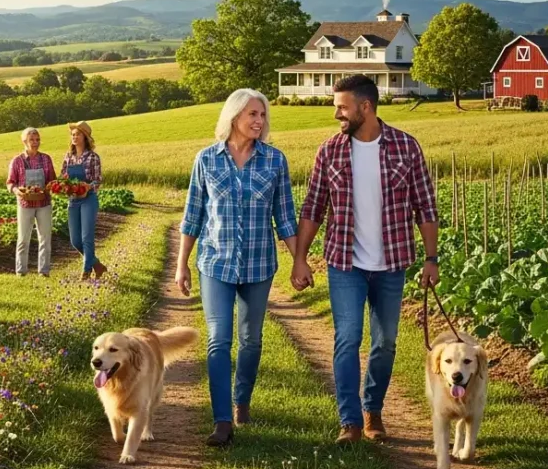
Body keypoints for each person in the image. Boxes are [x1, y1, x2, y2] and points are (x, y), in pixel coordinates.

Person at [292, 74, 439, 445]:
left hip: (391, 263)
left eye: (341, 107)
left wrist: (431, 259)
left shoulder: (406, 147)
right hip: (345, 263)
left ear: (365, 107)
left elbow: (425, 207)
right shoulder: (330, 151)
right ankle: (350, 421)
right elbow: (313, 207)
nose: (336, 114)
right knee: (347, 339)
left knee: (386, 341)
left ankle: (373, 409)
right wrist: (300, 258)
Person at [176, 89, 300, 447]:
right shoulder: (207, 160)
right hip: (215, 262)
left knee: (251, 340)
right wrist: (182, 264)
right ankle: (222, 420)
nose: (259, 121)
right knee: (219, 340)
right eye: (252, 114)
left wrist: (299, 260)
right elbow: (193, 216)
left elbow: (286, 218)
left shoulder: (275, 161)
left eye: (262, 115)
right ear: (233, 117)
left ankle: (241, 400)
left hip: (260, 264)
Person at [6, 127, 56, 277]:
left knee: (45, 238)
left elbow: (52, 180)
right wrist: (17, 191)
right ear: (24, 142)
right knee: (23, 239)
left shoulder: (46, 159)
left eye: (37, 140)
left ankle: (44, 271)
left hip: (44, 203)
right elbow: (10, 183)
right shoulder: (17, 161)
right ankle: (21, 271)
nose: (35, 143)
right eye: (31, 140)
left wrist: (48, 188)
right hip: (25, 204)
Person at [63, 121, 107, 280]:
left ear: (85, 137)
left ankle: (86, 271)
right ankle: (97, 265)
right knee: (75, 240)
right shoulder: (68, 157)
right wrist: (63, 185)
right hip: (73, 200)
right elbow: (63, 177)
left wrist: (88, 187)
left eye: (78, 134)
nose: (74, 137)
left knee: (86, 236)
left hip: (88, 199)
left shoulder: (93, 157)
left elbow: (97, 180)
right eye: (72, 134)